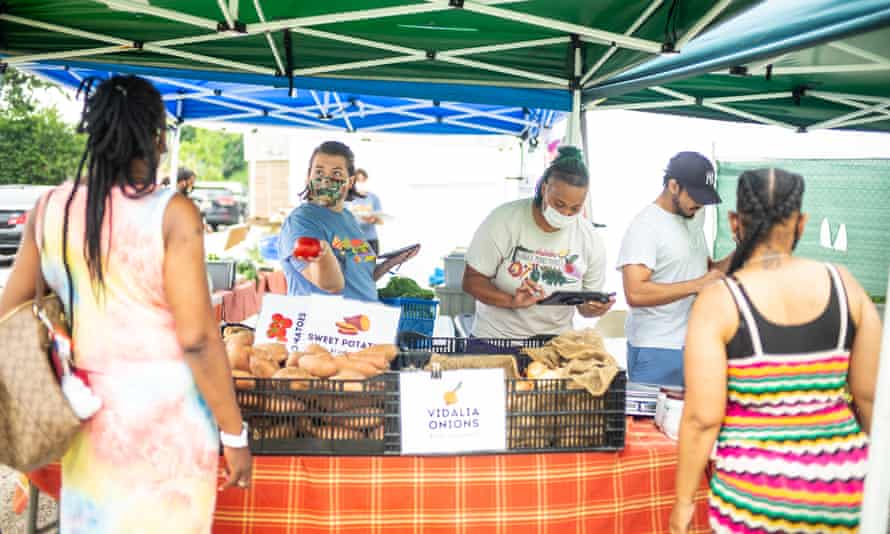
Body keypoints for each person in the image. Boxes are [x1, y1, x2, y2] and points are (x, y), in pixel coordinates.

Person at [0, 75, 252, 532]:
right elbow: (197, 338)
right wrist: (234, 432)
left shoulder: (51, 207)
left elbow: (9, 309)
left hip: (89, 413)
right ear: (157, 138)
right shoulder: (172, 212)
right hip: (169, 422)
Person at [669, 168, 881, 534]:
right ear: (801, 223)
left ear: (734, 222)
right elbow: (870, 396)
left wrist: (683, 501)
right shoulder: (845, 285)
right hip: (841, 488)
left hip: (754, 492)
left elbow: (703, 418)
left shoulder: (720, 300)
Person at [463, 146, 614, 339]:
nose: (565, 213)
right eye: (559, 204)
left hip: (555, 343)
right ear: (544, 189)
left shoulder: (590, 239)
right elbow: (471, 281)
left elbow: (584, 308)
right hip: (495, 340)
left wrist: (594, 308)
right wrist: (511, 301)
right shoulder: (504, 220)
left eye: (575, 208)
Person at [617, 151, 730, 386]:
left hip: (694, 345)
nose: (700, 204)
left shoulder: (693, 217)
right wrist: (697, 285)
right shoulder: (645, 226)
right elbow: (635, 292)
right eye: (696, 196)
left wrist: (744, 247)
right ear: (673, 186)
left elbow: (706, 272)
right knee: (653, 412)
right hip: (656, 349)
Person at [278, 141, 417, 301]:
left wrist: (390, 263)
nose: (326, 180)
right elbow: (331, 285)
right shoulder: (302, 222)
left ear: (350, 182)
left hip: (362, 315)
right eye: (319, 171)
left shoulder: (348, 217)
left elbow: (361, 276)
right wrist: (324, 254)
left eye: (336, 173)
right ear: (308, 177)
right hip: (324, 317)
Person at [347, 168, 383, 254]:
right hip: (354, 241)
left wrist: (372, 219)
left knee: (373, 262)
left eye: (363, 180)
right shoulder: (347, 199)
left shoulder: (374, 198)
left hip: (371, 240)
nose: (361, 183)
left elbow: (380, 221)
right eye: (358, 181)